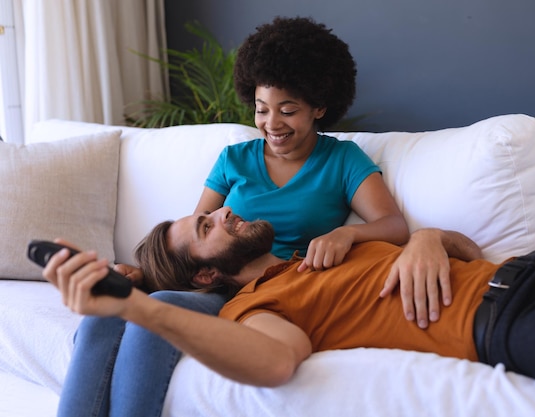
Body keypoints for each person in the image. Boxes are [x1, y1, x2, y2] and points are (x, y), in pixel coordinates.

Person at [56, 16, 465, 417]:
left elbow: (393, 227)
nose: (272, 124)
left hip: (273, 294)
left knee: (159, 313)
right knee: (97, 321)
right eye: (262, 109)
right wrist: (143, 274)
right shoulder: (234, 158)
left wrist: (347, 236)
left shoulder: (342, 159)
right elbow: (197, 237)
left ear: (319, 106)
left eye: (287, 110)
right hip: (219, 282)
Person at [45, 207, 535, 390]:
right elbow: (272, 362)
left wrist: (426, 239)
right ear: (203, 278)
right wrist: (135, 307)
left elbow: (468, 249)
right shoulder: (252, 307)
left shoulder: (324, 249)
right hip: (513, 321)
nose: (223, 209)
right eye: (207, 228)